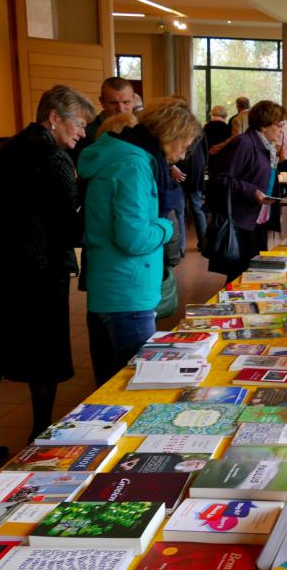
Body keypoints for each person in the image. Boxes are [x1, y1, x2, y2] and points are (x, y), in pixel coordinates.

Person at [0, 85, 95, 459]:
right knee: (46, 353)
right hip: (36, 269)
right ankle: (41, 434)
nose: (83, 133)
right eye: (79, 124)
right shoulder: (53, 158)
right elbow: (71, 228)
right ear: (54, 117)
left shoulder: (7, 149)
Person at [79, 97, 201, 385]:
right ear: (170, 134)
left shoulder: (123, 156)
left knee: (110, 388)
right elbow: (133, 238)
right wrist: (165, 227)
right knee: (134, 387)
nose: (183, 155)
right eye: (184, 146)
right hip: (126, 294)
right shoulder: (133, 165)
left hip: (111, 287)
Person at [208, 100, 285, 283]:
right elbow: (221, 178)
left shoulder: (266, 146)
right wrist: (253, 192)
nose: (282, 130)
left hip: (256, 219)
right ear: (264, 125)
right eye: (279, 125)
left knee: (251, 273)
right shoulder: (244, 143)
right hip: (241, 221)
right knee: (239, 275)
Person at [69, 77, 134, 163]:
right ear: (102, 101)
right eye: (113, 103)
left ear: (133, 100)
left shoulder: (141, 130)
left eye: (126, 102)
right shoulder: (85, 132)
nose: (121, 109)